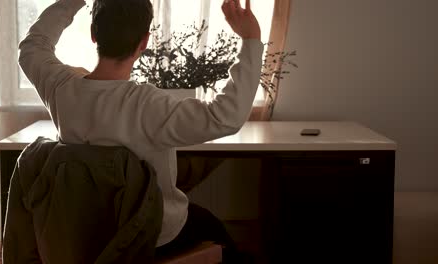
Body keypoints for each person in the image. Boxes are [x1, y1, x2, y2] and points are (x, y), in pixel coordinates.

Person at [17, 0, 263, 262]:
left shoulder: (61, 89)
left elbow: (32, 48)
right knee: (217, 231)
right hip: (150, 235)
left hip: (85, 235)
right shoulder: (149, 106)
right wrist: (251, 39)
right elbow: (226, 117)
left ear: (93, 33)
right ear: (144, 42)